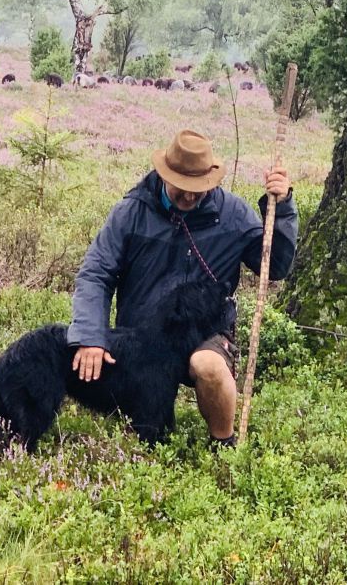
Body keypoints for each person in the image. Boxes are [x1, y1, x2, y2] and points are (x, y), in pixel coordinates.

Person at [67, 129, 298, 449]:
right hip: (141, 334)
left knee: (210, 366)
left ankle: (223, 444)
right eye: (183, 189)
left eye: (199, 189)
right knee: (139, 425)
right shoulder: (132, 212)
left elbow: (274, 267)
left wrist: (282, 208)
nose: (190, 196)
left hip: (203, 333)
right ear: (165, 175)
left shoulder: (233, 214)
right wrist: (90, 336)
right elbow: (96, 274)